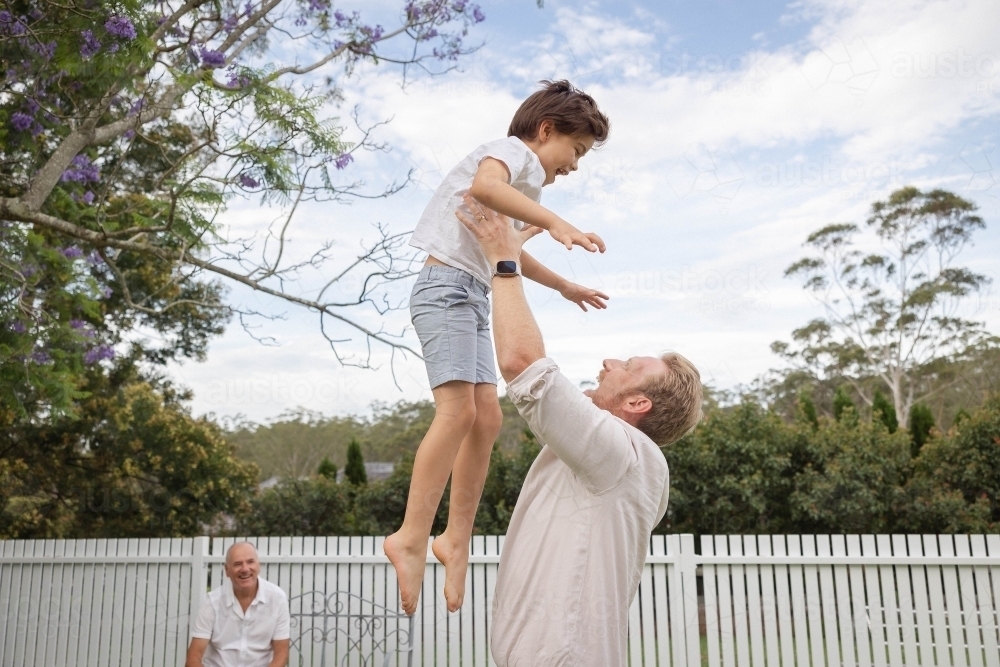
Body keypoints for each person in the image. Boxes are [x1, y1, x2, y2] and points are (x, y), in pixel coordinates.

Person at [384, 80, 612, 615]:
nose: (574, 166)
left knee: (487, 419)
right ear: (546, 129)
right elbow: (487, 187)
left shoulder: (526, 186)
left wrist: (564, 286)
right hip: (445, 291)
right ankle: (411, 534)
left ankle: (454, 537)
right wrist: (556, 221)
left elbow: (508, 250)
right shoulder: (512, 153)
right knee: (458, 411)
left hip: (471, 294)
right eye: (576, 151)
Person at [454, 194, 704, 667]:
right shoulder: (622, 465)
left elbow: (523, 365)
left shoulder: (623, 451)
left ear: (637, 403)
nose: (608, 362)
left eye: (627, 366)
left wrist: (503, 261)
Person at [186, 542, 290, 667]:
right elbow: (193, 658)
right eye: (237, 564)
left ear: (259, 566)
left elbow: (281, 654)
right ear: (227, 570)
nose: (245, 569)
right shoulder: (212, 602)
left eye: (250, 562)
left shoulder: (277, 598)